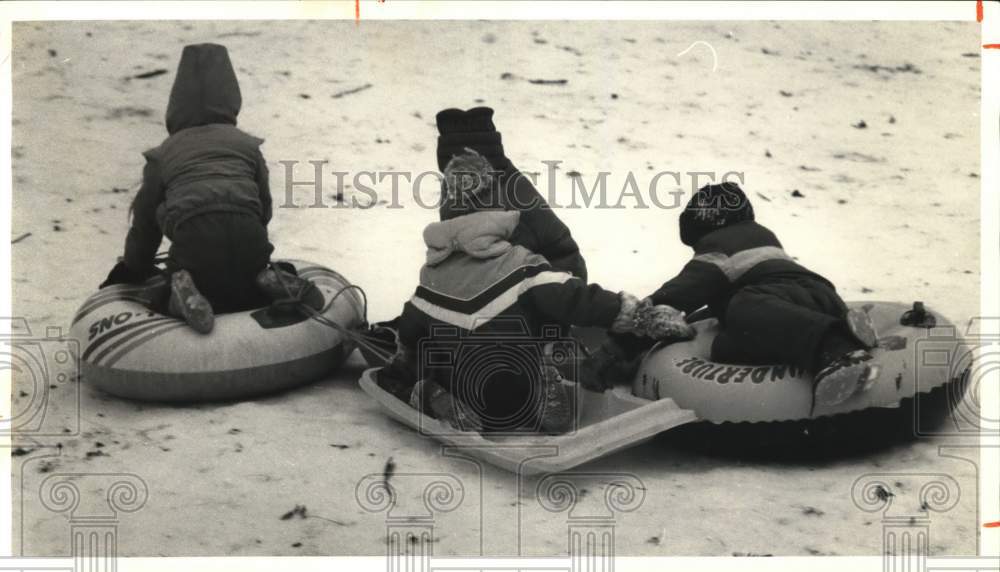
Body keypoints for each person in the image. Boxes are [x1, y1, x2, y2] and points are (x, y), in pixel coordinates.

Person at [378, 149, 694, 434]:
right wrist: (644, 317)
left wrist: (402, 372)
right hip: (514, 389)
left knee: (441, 351)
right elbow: (578, 300)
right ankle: (539, 385)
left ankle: (433, 395)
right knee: (528, 340)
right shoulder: (520, 265)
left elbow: (410, 334)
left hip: (464, 388)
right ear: (499, 206)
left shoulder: (432, 275)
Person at [581, 182, 878, 408]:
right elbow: (706, 317)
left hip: (780, 296)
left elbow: (672, 298)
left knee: (743, 308)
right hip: (818, 297)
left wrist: (616, 349)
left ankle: (836, 348)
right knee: (726, 341)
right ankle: (844, 324)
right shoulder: (758, 240)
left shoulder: (720, 250)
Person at [100, 43, 320, 333]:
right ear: (231, 97)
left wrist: (133, 269)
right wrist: (254, 250)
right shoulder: (247, 146)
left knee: (166, 285)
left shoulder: (163, 154)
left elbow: (145, 225)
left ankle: (178, 294)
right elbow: (263, 207)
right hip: (249, 239)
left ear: (175, 103)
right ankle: (265, 280)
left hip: (195, 246)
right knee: (244, 286)